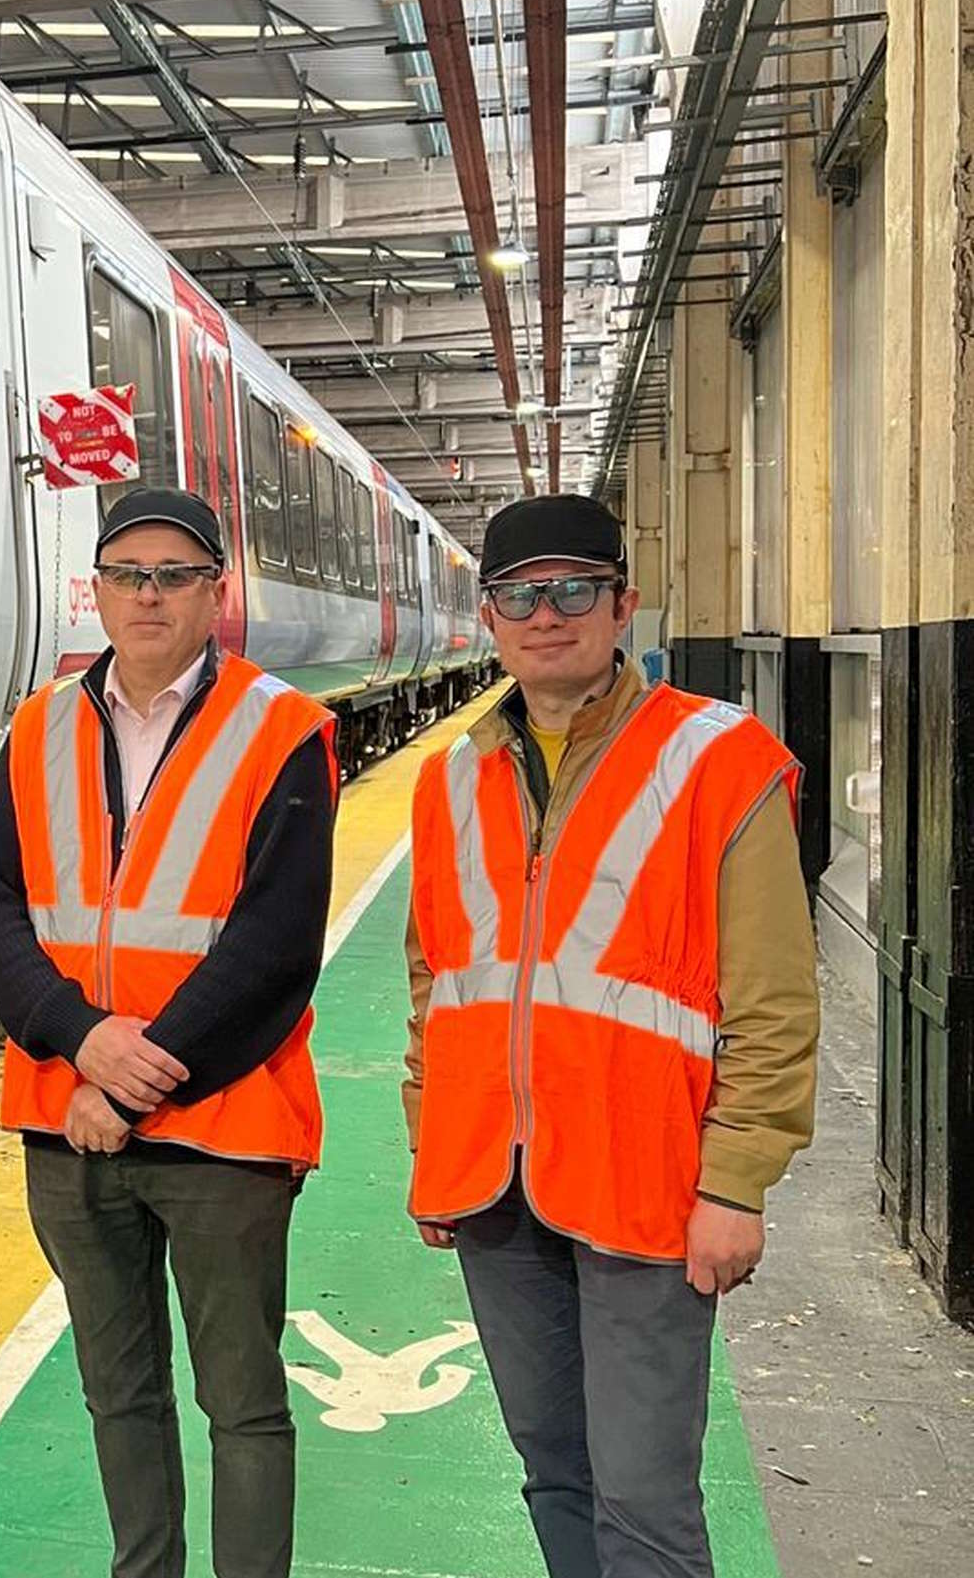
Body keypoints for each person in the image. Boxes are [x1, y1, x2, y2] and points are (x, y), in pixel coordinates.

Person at [403, 492, 821, 1578]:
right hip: (491, 1186)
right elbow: (434, 977)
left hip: (647, 1183)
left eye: (571, 588)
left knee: (641, 1497)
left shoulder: (717, 759)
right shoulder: (452, 776)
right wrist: (430, 1143)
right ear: (486, 617)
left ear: (620, 603)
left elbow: (771, 999)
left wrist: (734, 1184)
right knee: (551, 1468)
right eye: (518, 595)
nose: (546, 614)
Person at [0, 485, 338, 1578]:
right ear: (95, 588)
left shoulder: (280, 731)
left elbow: (271, 950)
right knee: (115, 1394)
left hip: (221, 1128)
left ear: (215, 592)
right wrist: (78, 1040)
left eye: (175, 575)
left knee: (241, 1403)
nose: (148, 595)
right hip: (65, 1123)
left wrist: (121, 1083)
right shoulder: (34, 728)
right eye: (127, 573)